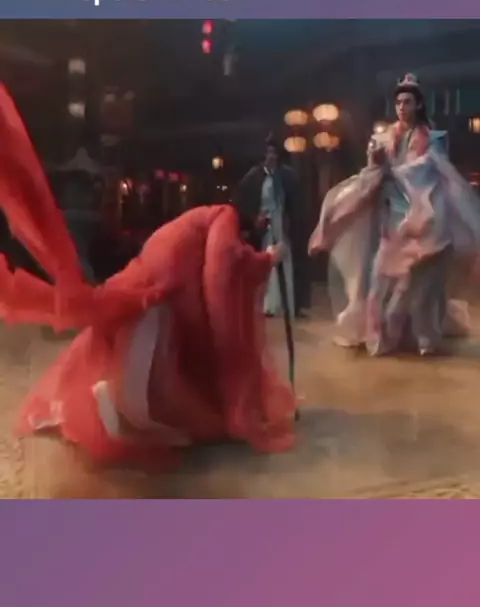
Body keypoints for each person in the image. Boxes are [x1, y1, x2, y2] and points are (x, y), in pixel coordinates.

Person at [0, 85, 297, 467]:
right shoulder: (223, 217)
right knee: (146, 368)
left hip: (141, 282)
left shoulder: (197, 218)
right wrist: (265, 260)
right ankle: (120, 411)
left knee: (123, 350)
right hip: (157, 292)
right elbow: (222, 266)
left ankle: (112, 405)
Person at [308, 73, 480, 356]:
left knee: (415, 287)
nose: (402, 107)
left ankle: (418, 336)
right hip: (391, 218)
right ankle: (380, 335)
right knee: (379, 279)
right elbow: (373, 173)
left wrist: (391, 171)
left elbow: (428, 172)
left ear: (418, 104)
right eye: (399, 102)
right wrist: (376, 165)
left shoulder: (433, 139)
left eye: (407, 102)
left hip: (422, 219)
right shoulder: (385, 138)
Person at [233, 135, 305, 318]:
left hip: (281, 222)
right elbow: (242, 199)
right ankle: (267, 303)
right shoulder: (254, 176)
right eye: (268, 153)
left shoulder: (285, 175)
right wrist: (254, 218)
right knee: (266, 260)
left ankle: (288, 303)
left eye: (274, 153)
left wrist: (291, 220)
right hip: (263, 225)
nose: (272, 156)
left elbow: (294, 201)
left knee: (285, 260)